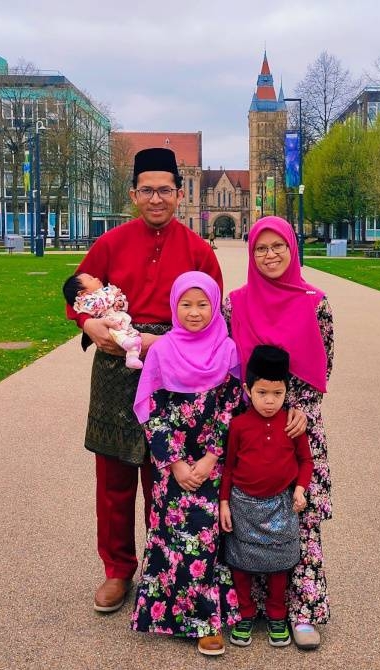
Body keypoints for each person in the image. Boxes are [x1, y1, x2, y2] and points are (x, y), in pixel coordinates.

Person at [65, 147, 223, 615]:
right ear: (134, 194)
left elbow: (213, 320)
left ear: (179, 193)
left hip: (174, 372)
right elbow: (77, 293)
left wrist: (161, 344)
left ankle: (164, 563)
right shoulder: (110, 244)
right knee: (113, 476)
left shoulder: (198, 251)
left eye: (166, 190)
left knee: (166, 475)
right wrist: (89, 327)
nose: (157, 199)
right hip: (115, 371)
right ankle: (117, 570)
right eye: (147, 190)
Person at [223, 215, 334, 650]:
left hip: (296, 425)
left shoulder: (315, 302)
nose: (269, 256)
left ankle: (300, 610)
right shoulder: (236, 303)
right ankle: (245, 608)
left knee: (299, 516)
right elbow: (230, 367)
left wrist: (301, 410)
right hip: (249, 425)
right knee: (244, 516)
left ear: (292, 249)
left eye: (278, 247)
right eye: (260, 249)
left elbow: (324, 365)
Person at [130, 271, 243, 656]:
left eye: (203, 304)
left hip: (213, 461)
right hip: (173, 464)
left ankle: (211, 620)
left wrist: (212, 457)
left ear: (215, 307)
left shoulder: (227, 350)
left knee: (210, 535)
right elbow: (151, 410)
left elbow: (231, 408)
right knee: (172, 533)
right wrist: (175, 462)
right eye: (186, 304)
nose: (194, 313)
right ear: (174, 307)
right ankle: (173, 615)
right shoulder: (162, 351)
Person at [220, 344, 312, 649]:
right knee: (241, 563)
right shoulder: (239, 426)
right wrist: (224, 503)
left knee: (279, 565)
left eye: (277, 393)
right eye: (262, 393)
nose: (270, 401)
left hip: (280, 505)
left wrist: (300, 488)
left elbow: (306, 462)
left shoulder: (292, 425)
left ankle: (276, 615)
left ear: (287, 391)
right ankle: (245, 613)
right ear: (248, 390)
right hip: (243, 505)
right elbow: (229, 468)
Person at [62, 273, 143, 369]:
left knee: (132, 333)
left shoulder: (106, 291)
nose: (96, 278)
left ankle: (132, 357)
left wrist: (120, 302)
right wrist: (112, 297)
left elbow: (122, 303)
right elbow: (98, 306)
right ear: (82, 293)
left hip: (120, 318)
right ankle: (126, 343)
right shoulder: (86, 301)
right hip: (108, 323)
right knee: (116, 332)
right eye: (91, 279)